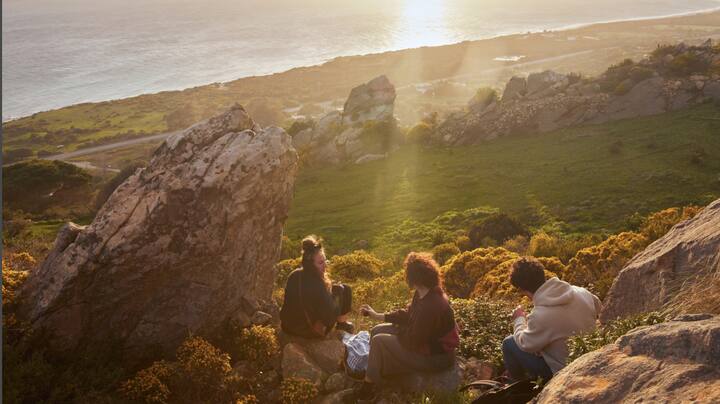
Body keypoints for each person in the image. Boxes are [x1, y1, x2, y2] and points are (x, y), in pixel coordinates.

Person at [352, 252, 459, 400]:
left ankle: (369, 386)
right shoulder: (423, 293)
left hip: (437, 359)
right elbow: (408, 315)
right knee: (377, 330)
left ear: (414, 278)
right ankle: (379, 368)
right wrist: (377, 315)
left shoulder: (431, 305)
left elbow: (413, 341)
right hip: (423, 344)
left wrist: (397, 333)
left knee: (378, 340)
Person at [502, 257, 601, 382]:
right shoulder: (581, 292)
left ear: (522, 290)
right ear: (542, 274)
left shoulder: (540, 316)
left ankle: (518, 386)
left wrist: (519, 319)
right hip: (594, 356)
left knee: (509, 343)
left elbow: (524, 344)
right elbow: (599, 308)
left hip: (566, 372)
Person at [280, 235, 354, 337]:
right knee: (345, 289)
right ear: (310, 264)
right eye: (320, 263)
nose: (325, 265)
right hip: (308, 331)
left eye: (325, 261)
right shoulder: (318, 285)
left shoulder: (294, 274)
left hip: (288, 327)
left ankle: (342, 323)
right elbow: (328, 319)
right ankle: (342, 325)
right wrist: (337, 294)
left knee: (342, 288)